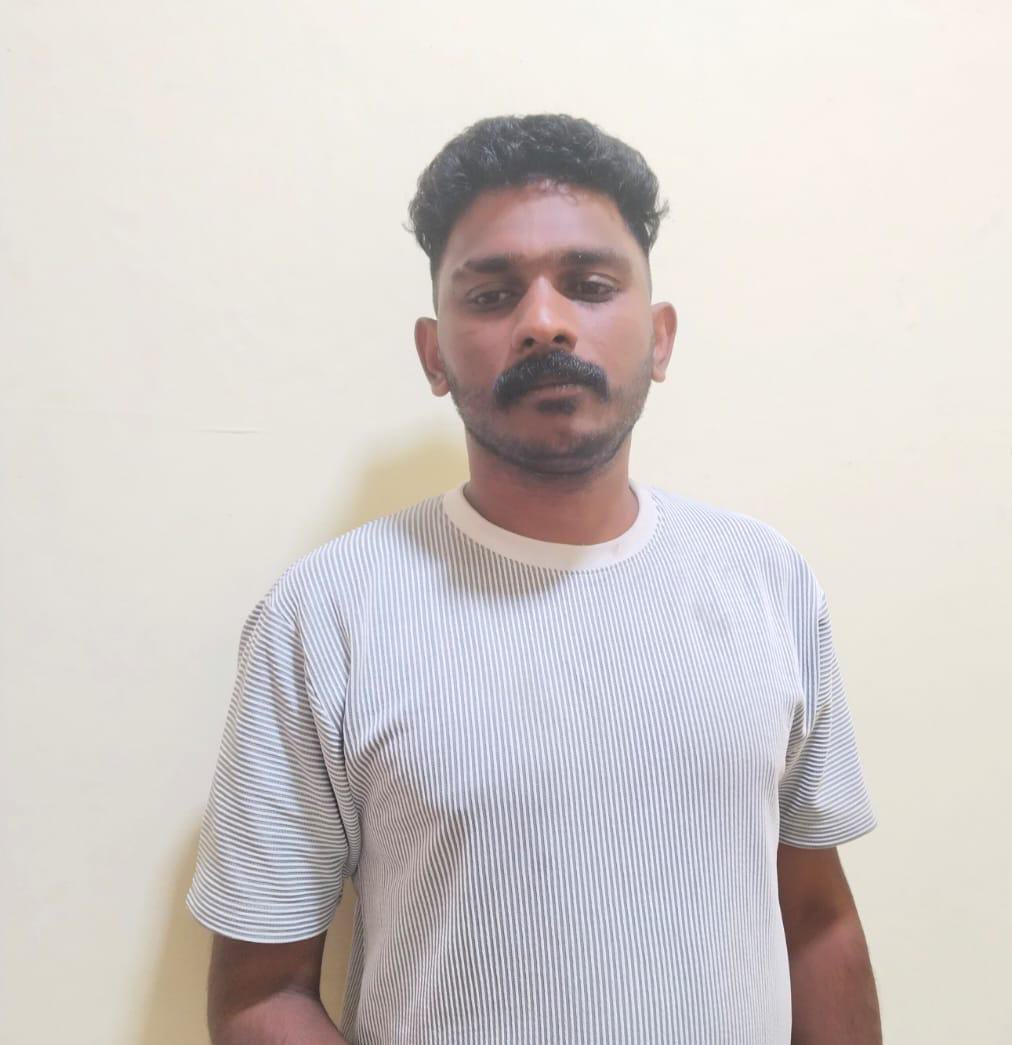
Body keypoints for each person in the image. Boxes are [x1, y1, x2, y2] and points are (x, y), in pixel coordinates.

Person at [186, 114, 881, 1044]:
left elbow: (818, 920)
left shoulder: (768, 582)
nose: (545, 321)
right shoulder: (324, 617)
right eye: (492, 294)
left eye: (590, 285)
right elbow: (259, 993)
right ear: (433, 353)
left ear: (661, 339)